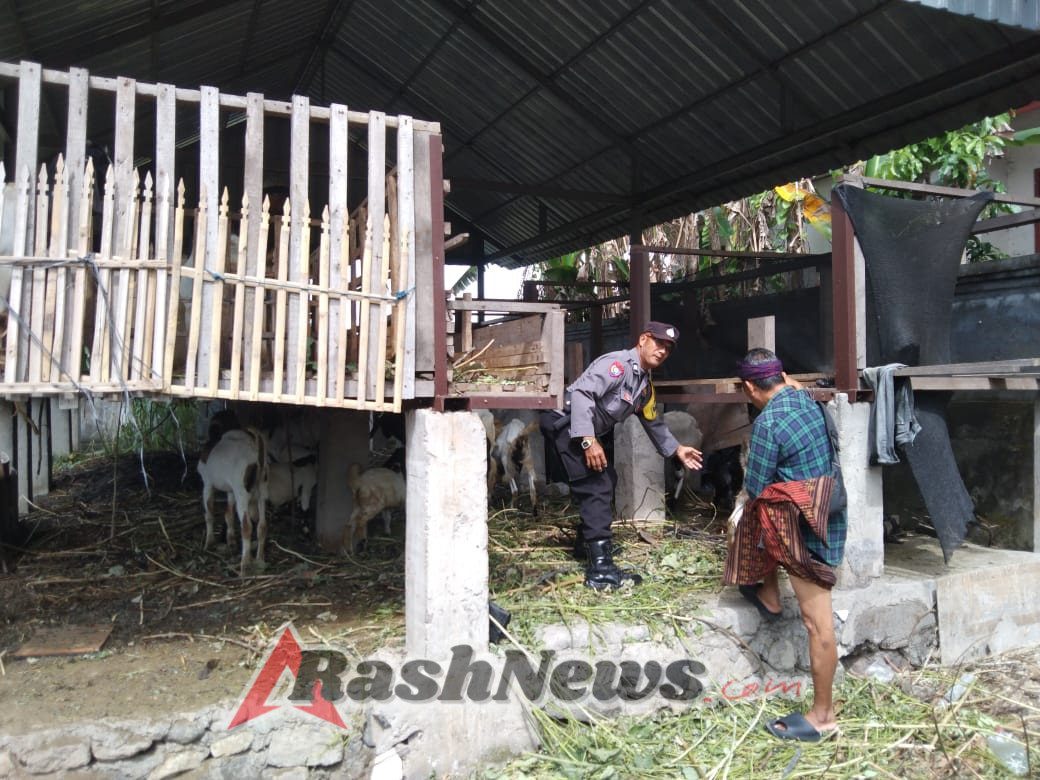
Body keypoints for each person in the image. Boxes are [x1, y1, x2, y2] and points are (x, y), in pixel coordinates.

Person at [723, 347, 847, 742]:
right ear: (782, 375)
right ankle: (770, 591)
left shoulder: (768, 423)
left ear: (748, 387)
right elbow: (789, 383)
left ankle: (822, 715)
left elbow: (756, 488)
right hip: (829, 510)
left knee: (817, 625)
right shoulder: (804, 399)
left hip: (805, 530)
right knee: (761, 516)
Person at [541, 321, 702, 590]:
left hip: (580, 427)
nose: (662, 351)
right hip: (566, 422)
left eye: (668, 349)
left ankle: (588, 547)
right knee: (596, 486)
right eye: (658, 343)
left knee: (607, 478)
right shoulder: (618, 365)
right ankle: (601, 570)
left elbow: (653, 421)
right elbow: (581, 393)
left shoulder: (644, 385)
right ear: (643, 340)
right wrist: (589, 440)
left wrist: (677, 449)